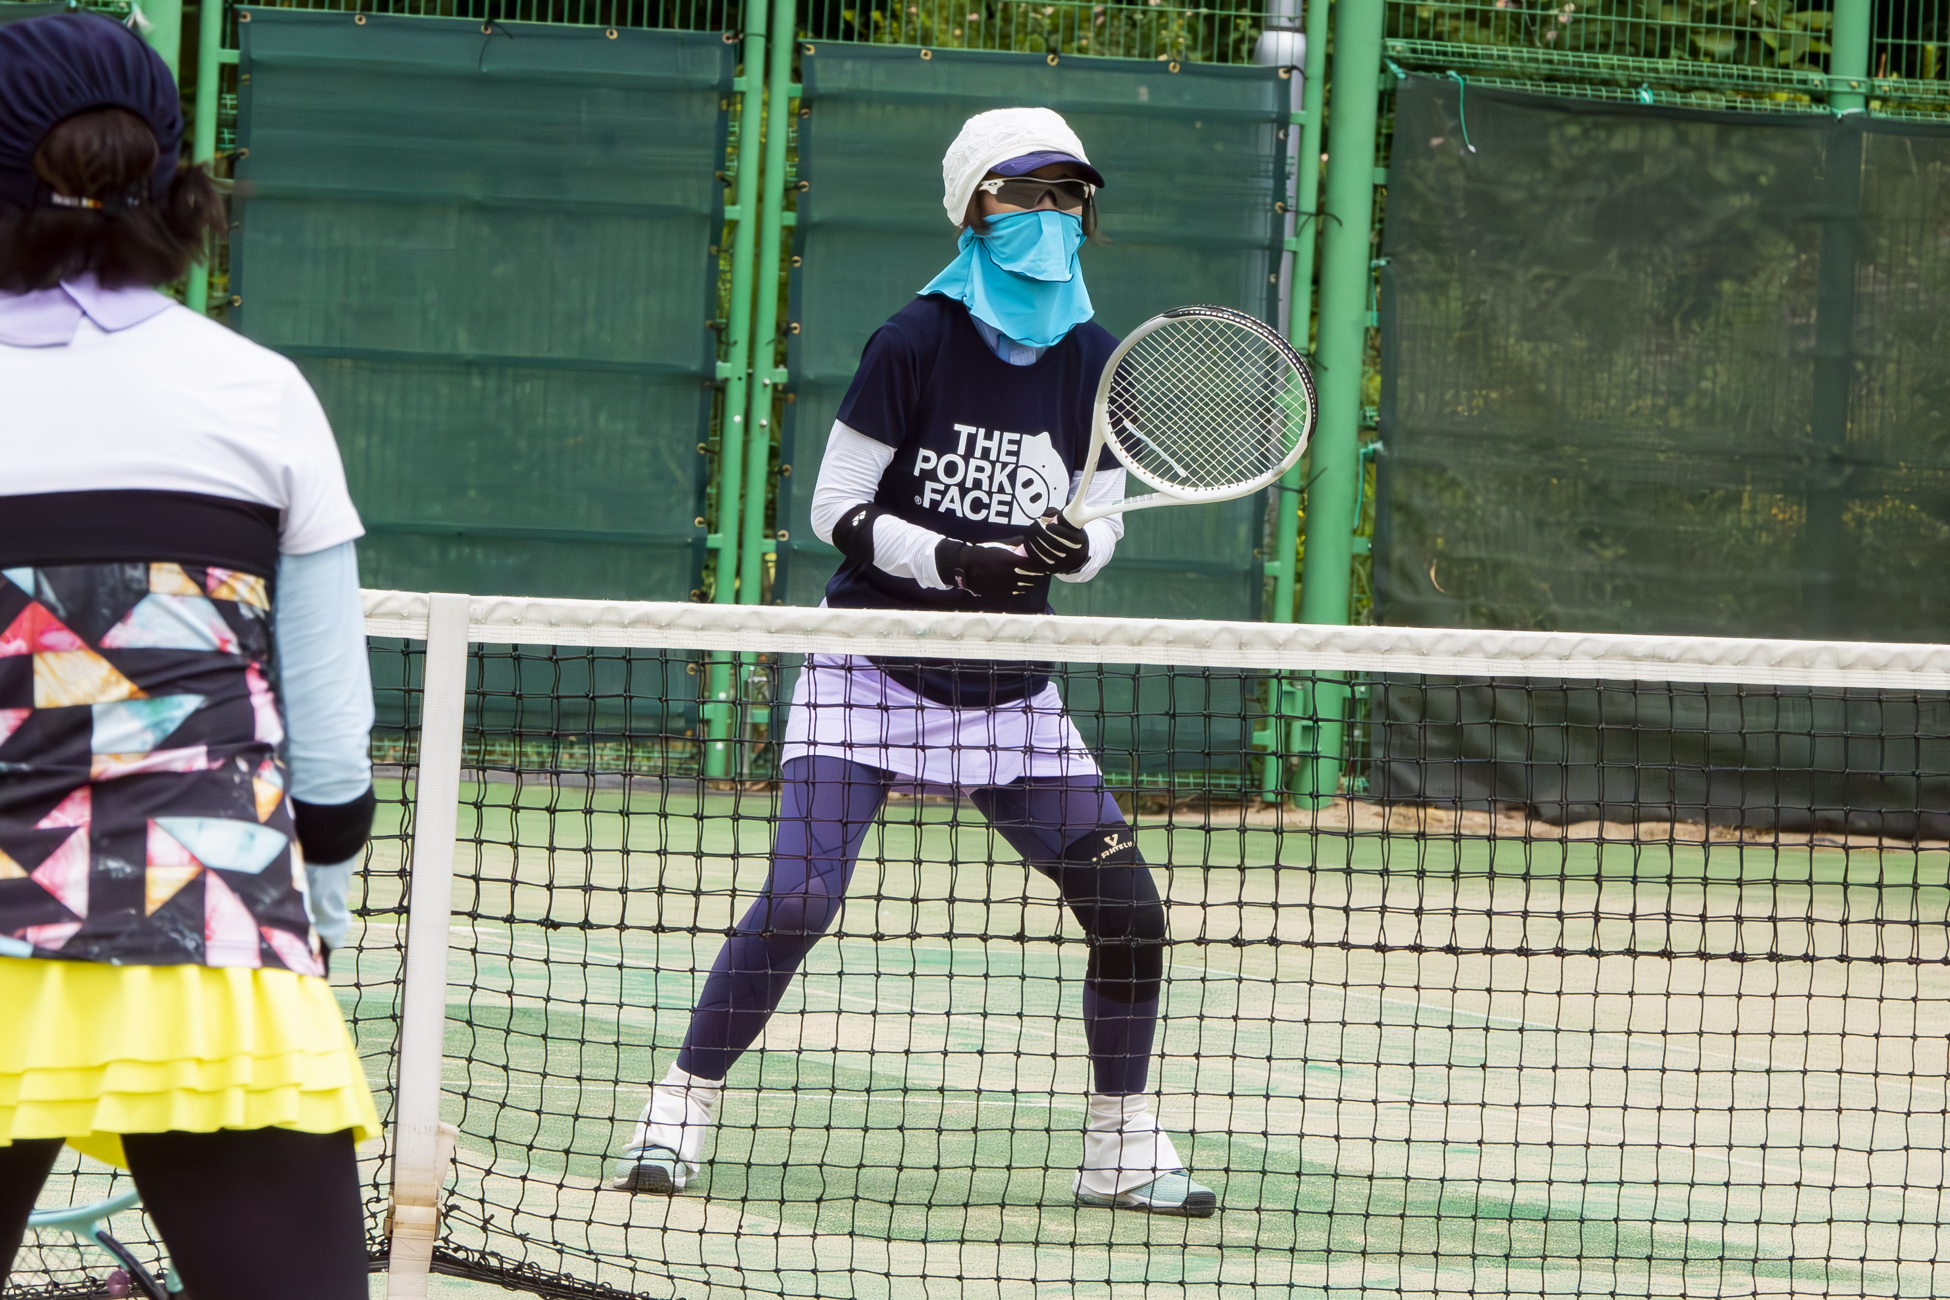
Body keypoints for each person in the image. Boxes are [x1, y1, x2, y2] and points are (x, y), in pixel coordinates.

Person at [611, 107, 1215, 1217]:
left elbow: (1103, 524)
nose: (1050, 214)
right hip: (870, 674)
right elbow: (835, 509)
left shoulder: (1099, 360)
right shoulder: (912, 341)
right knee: (799, 900)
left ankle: (1121, 1147)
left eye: (1069, 194)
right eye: (1024, 192)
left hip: (1010, 694)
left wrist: (1074, 552)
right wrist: (954, 558)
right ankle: (678, 1108)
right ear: (973, 205)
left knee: (1130, 913)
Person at [0, 15, 380, 1298]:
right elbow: (329, 752)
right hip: (211, 936)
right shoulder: (259, 393)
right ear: (171, 180)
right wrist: (311, 931)